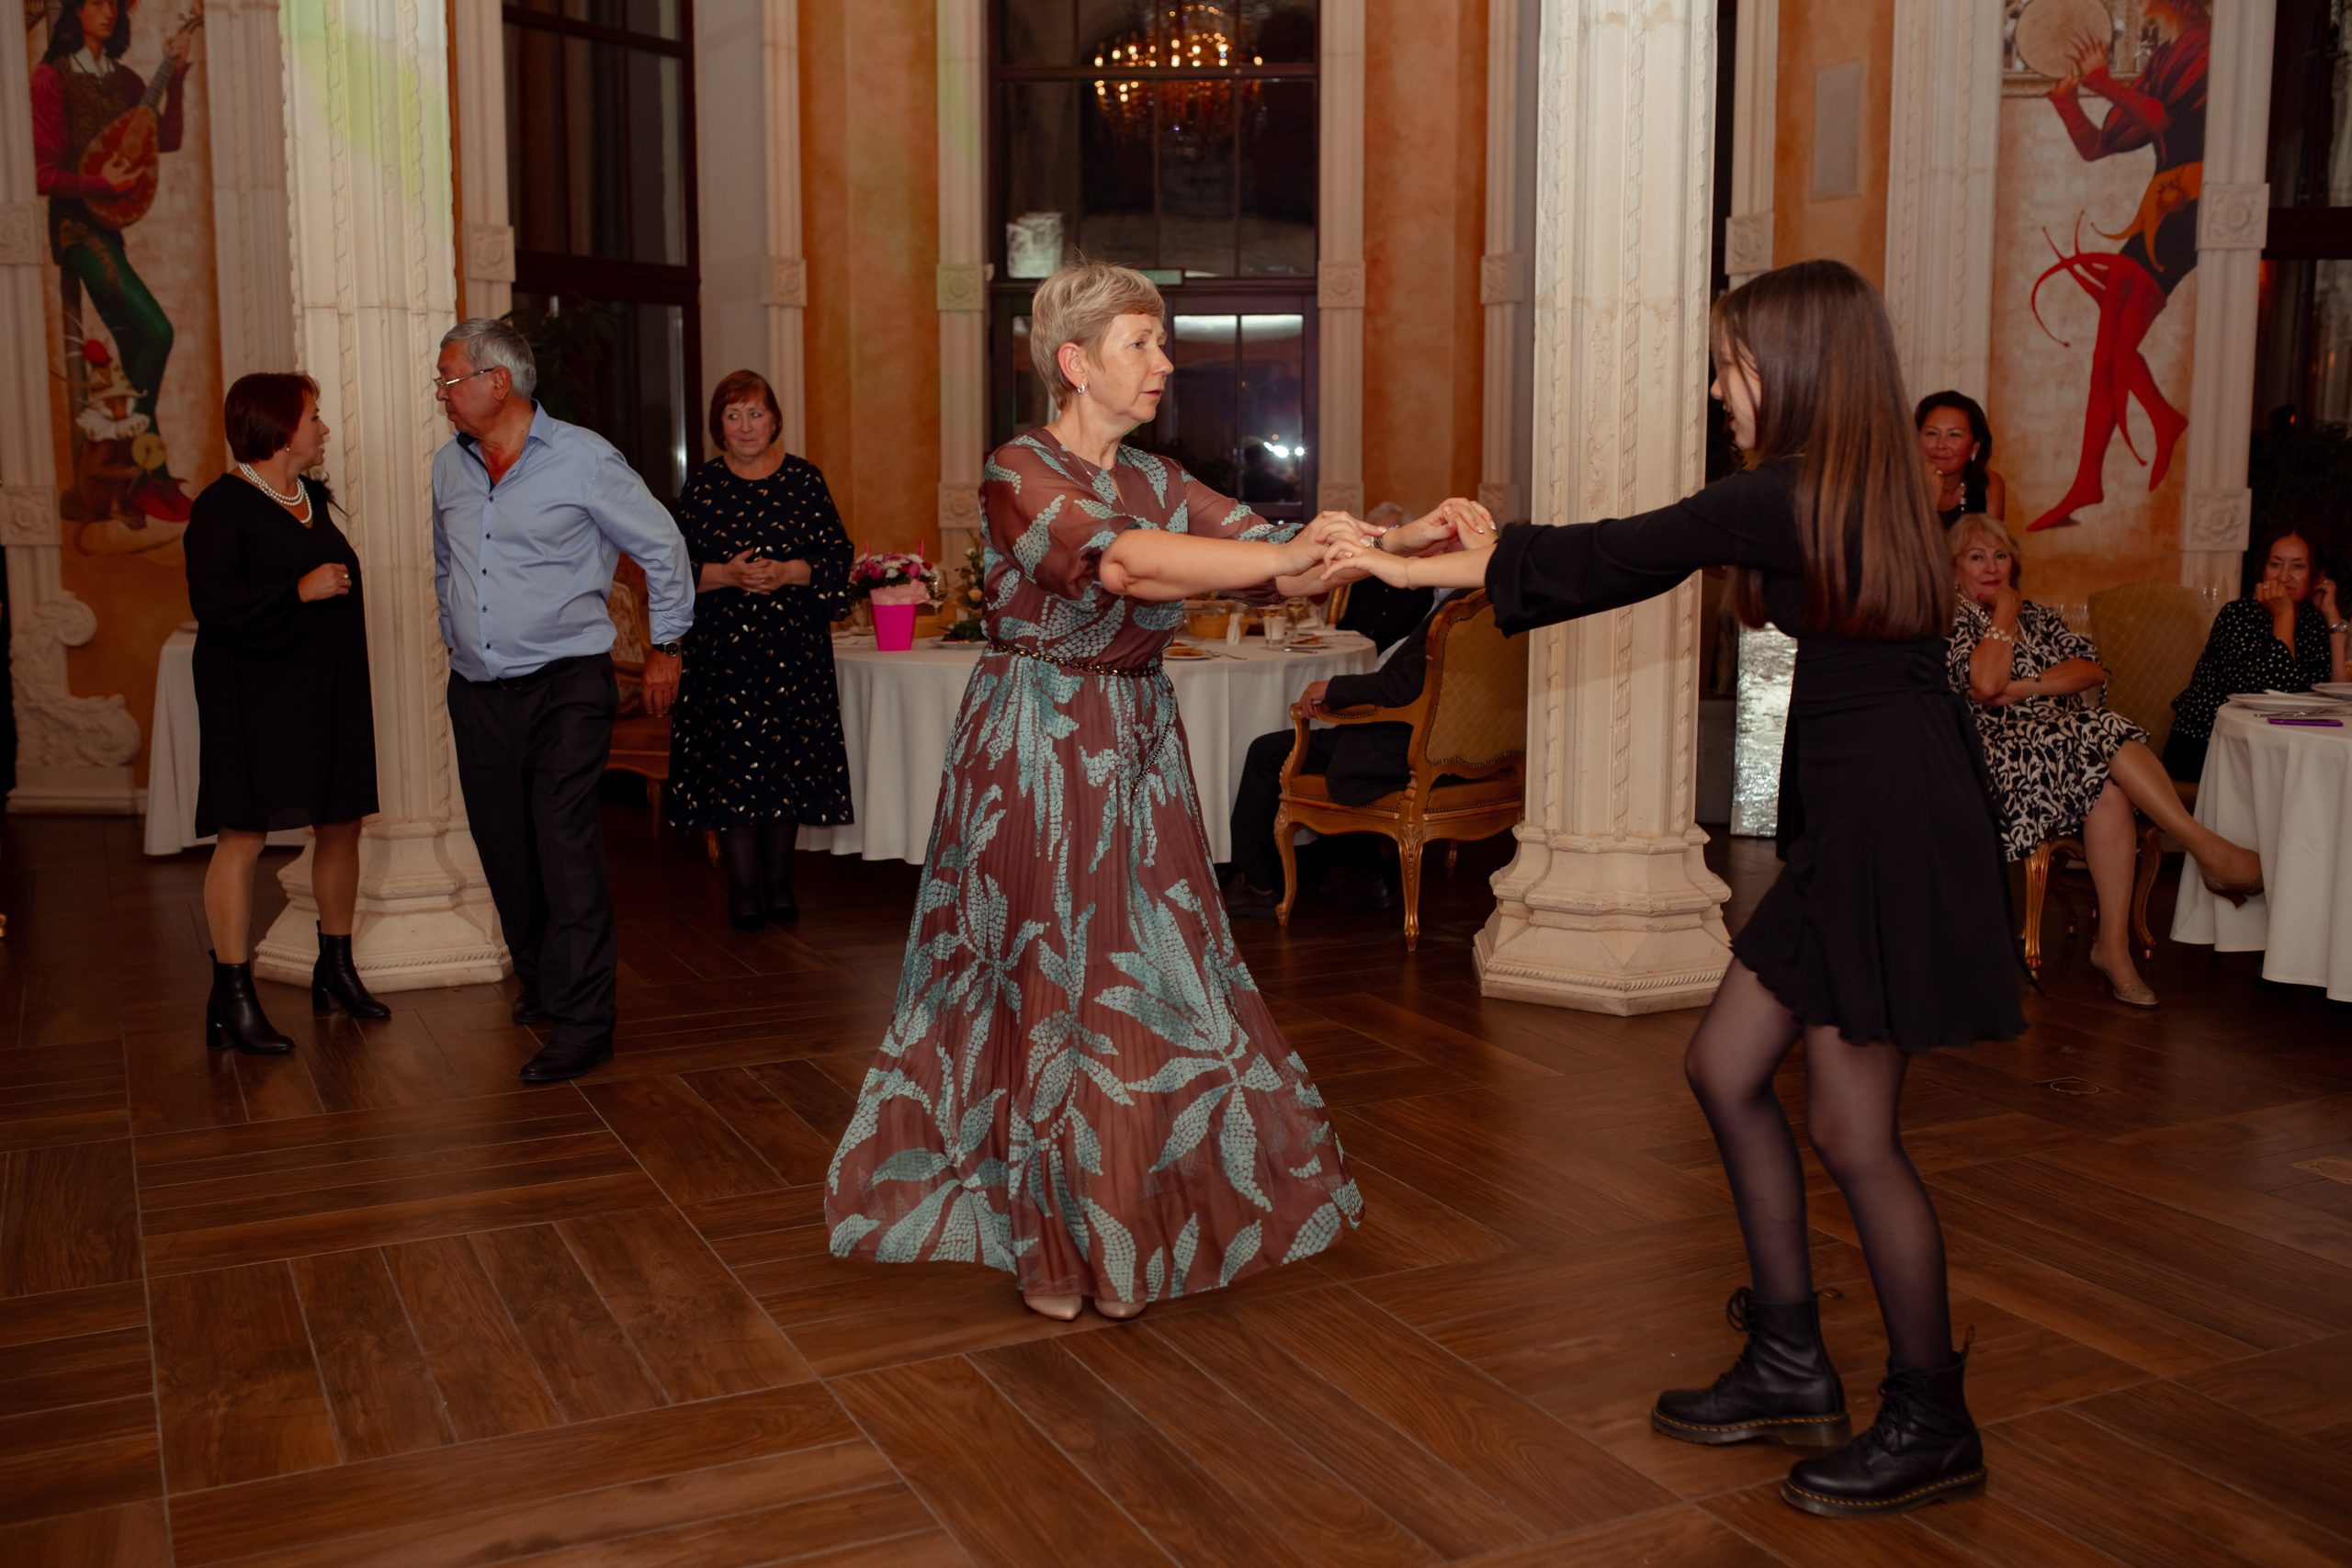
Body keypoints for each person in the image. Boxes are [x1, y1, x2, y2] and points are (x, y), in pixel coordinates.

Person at [1329, 260, 2022, 1519]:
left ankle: (1932, 1414)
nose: (1718, 386)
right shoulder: (1852, 489)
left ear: (1793, 368)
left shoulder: (1790, 495)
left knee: (1856, 1132)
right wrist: (1464, 547)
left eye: (1731, 363)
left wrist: (1412, 553)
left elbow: (1615, 557)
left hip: (1885, 825)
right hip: (1872, 811)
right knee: (1723, 1065)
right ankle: (1790, 1358)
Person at [824, 261, 1487, 1324]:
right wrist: (1293, 554)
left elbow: (1270, 556)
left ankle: (1122, 1233)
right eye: (1143, 342)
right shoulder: (1017, 470)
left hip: (1133, 737)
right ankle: (1051, 1246)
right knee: (1051, 997)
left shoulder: (1158, 476)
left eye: (1163, 342)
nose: (1164, 364)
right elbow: (1125, 569)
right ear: (1074, 361)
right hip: (1037, 745)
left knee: (1151, 984)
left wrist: (1391, 542)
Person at [430, 318, 695, 1082]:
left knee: (563, 841)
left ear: (496, 381)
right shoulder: (449, 468)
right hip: (477, 690)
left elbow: (662, 546)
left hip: (564, 687)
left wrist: (665, 647)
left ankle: (586, 1021)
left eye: (450, 379)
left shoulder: (583, 460)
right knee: (505, 847)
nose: (441, 394)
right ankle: (544, 981)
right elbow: (447, 562)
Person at [1947, 514, 2262, 1007]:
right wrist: (2004, 613)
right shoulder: (1946, 622)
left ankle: (2112, 947)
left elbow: (2090, 668)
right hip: (1995, 763)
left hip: (2069, 756)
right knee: (2103, 729)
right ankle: (2205, 846)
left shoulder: (2042, 617)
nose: (1992, 567)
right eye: (1976, 557)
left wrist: (2029, 686)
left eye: (2001, 555)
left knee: (2110, 793)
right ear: (1953, 570)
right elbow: (1986, 685)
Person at [185, 374, 386, 1053]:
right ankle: (232, 994)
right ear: (277, 427)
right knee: (242, 834)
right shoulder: (221, 505)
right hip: (252, 693)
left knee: (341, 821)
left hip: (323, 688)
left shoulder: (312, 499)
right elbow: (214, 604)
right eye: (313, 418)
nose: (323, 429)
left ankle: (336, 967)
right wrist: (298, 590)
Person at [666, 370, 854, 928]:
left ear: (773, 420)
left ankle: (780, 888)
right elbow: (671, 571)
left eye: (755, 414)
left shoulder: (804, 480)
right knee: (733, 770)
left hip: (793, 655)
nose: (745, 426)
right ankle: (743, 892)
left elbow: (836, 558)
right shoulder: (700, 488)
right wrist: (725, 574)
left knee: (785, 767)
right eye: (733, 415)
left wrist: (791, 571)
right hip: (722, 660)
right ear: (717, 427)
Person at [1224, 517, 1478, 919]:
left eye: (1449, 548)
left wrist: (1333, 689)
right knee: (1332, 747)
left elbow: (1402, 688)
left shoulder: (1458, 611)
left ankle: (1258, 882)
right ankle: (1362, 874)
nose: (1435, 553)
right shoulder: (1476, 604)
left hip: (1402, 747)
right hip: (1447, 744)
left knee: (1269, 751)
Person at [2028, 0, 2208, 531]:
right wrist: (2068, 100)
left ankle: (2142, 434)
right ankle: (2106, 462)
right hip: (2165, 207)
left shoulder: (2206, 43)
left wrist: (2103, 80)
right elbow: (2098, 147)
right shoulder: (2165, 56)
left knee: (2114, 343)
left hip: (2189, 209)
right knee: (2109, 348)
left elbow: (2159, 117)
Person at [34, 0, 198, 523]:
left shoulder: (126, 79)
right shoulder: (51, 79)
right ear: (75, 12)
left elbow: (164, 139)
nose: (107, 12)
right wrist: (98, 184)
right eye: (95, 3)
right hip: (78, 229)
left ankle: (144, 479)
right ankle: (136, 466)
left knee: (134, 349)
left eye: (113, 4)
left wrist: (179, 74)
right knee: (158, 332)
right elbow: (40, 173)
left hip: (110, 233)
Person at [2164, 526, 2350, 782]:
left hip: (2279, 748)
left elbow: (2339, 695)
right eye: (2275, 564)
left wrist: (2332, 616)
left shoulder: (2312, 621)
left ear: (2317, 577)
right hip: (2210, 745)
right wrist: (2283, 615)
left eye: (2298, 567)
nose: (2284, 576)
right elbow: (2273, 694)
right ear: (2263, 569)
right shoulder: (2237, 615)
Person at [1916, 391, 2007, 525]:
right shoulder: (1894, 484)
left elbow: (1989, 544)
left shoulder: (1989, 486)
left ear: (1975, 446)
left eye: (1954, 435)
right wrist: (1928, 500)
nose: (1940, 445)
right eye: (1931, 433)